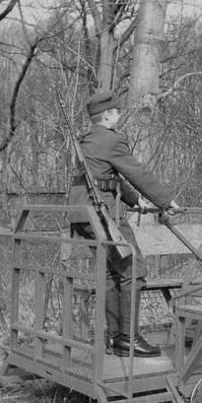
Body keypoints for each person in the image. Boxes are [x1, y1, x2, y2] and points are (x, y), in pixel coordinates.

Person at [68, 90, 179, 357]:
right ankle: (129, 338)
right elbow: (136, 172)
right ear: (107, 115)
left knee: (111, 272)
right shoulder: (112, 140)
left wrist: (135, 200)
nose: (119, 115)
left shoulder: (86, 141)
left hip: (81, 214)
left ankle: (116, 337)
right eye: (117, 112)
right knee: (133, 269)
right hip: (103, 213)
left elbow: (106, 178)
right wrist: (165, 200)